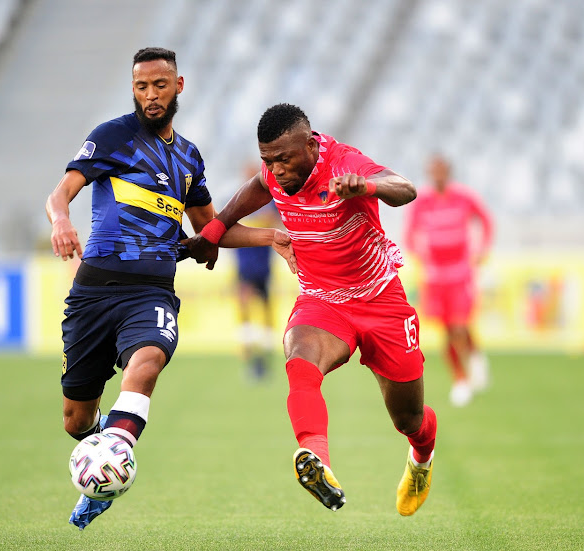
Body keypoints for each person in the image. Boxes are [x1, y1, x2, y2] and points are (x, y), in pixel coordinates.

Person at [45, 48, 294, 530]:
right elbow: (61, 193)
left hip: (152, 291)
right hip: (94, 290)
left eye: (159, 85)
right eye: (141, 86)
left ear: (179, 86)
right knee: (76, 421)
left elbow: (210, 231)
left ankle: (111, 464)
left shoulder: (188, 157)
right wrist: (60, 220)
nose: (150, 95)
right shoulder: (113, 136)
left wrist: (271, 236)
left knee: (149, 358)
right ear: (132, 89)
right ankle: (103, 457)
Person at [184, 103, 437, 516]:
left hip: (380, 300)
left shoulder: (344, 163)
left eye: (284, 158)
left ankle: (422, 458)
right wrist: (212, 231)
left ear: (311, 143)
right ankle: (315, 457)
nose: (277, 169)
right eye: (269, 160)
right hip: (321, 301)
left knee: (408, 419)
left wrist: (366, 187)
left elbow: (404, 188)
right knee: (299, 359)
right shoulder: (272, 173)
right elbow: (248, 195)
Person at [404, 154, 493, 407]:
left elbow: (486, 221)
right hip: (435, 276)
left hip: (460, 273)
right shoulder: (422, 201)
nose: (438, 175)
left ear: (449, 172)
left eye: (442, 170)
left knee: (459, 324)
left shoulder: (464, 197)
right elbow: (410, 234)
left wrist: (482, 249)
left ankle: (471, 362)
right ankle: (461, 378)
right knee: (446, 329)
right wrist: (418, 253)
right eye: (434, 171)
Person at [234, 162, 281, 382]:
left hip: (262, 266)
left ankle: (266, 353)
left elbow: (276, 222)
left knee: (264, 308)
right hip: (244, 265)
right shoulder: (237, 201)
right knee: (245, 307)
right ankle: (250, 354)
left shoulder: (268, 202)